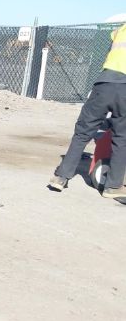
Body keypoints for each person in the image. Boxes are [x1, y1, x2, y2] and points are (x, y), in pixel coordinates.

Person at [49, 23, 126, 199]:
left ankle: (61, 177)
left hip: (104, 84)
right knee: (122, 137)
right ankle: (113, 186)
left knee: (83, 132)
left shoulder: (121, 29)